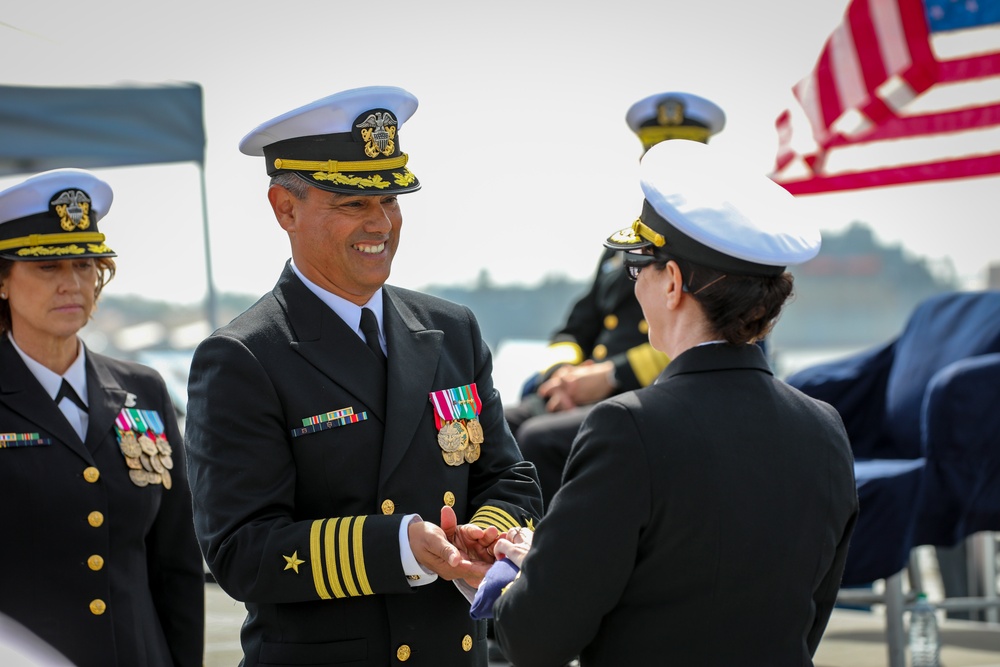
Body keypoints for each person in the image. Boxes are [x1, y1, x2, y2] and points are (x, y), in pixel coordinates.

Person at [184, 86, 543, 667]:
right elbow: (240, 552)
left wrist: (482, 536)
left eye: (392, 199)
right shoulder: (243, 357)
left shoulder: (451, 330)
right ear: (285, 207)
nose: (381, 221)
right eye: (353, 202)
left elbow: (509, 476)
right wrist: (399, 545)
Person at [487, 139, 860, 666]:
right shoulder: (825, 429)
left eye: (640, 266)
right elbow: (805, 624)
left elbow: (534, 639)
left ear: (674, 285)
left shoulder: (625, 428)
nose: (634, 283)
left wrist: (515, 575)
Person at [0, 168, 205, 667]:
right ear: (2, 281)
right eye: (47, 267)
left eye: (85, 264)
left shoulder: (143, 391)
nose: (72, 283)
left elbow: (175, 565)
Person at [505, 91, 727, 508]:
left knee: (538, 440)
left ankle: (545, 562)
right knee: (497, 427)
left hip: (653, 392)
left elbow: (710, 336)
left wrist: (609, 376)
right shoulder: (624, 244)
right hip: (585, 387)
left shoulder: (714, 248)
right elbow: (577, 324)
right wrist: (564, 374)